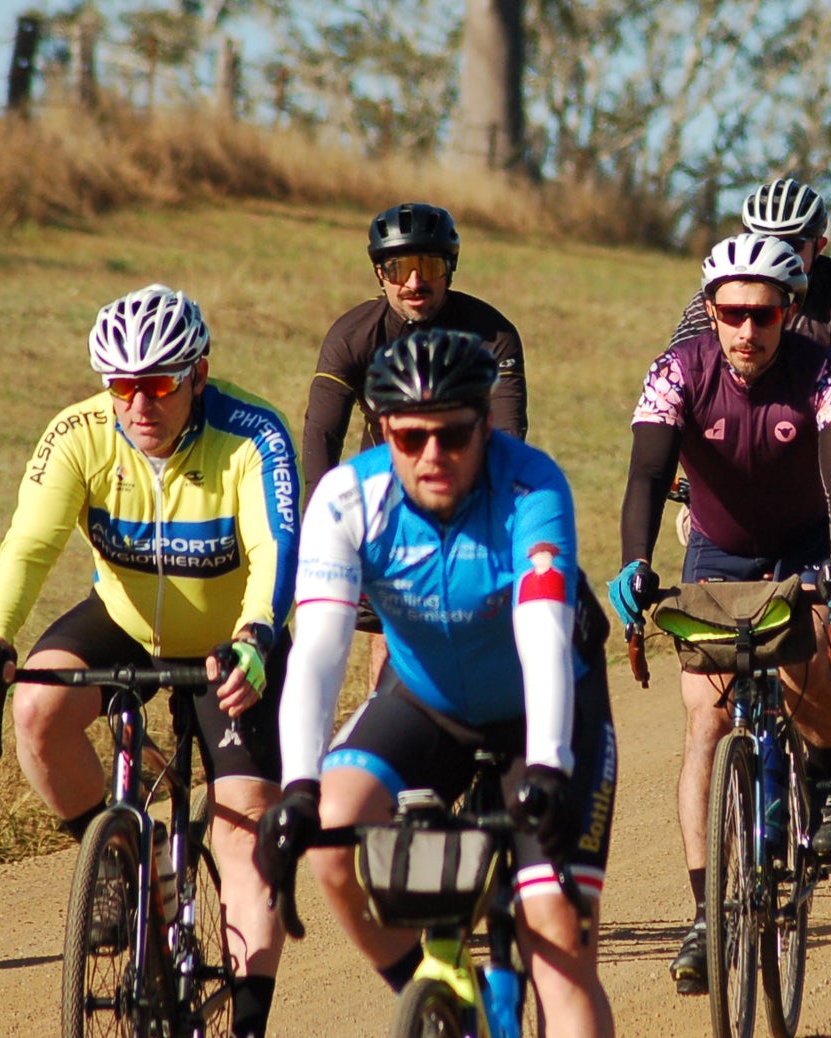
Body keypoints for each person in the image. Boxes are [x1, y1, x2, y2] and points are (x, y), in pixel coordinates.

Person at [0, 284, 298, 1038]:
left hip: (233, 642)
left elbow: (279, 549)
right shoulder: (79, 432)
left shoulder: (253, 437)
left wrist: (254, 640)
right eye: (121, 386)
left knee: (244, 836)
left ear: (199, 376)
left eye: (160, 384)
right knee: (36, 710)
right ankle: (123, 861)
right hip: (124, 620)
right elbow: (30, 545)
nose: (139, 405)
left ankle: (246, 1025)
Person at [259, 329, 614, 1038]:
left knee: (557, 935)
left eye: (453, 435)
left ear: (485, 422)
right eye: (410, 436)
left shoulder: (530, 485)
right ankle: (439, 998)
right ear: (383, 428)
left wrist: (546, 767)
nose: (432, 457)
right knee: (331, 841)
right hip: (425, 702)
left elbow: (542, 632)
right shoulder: (347, 499)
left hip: (542, 715)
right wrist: (297, 787)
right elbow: (321, 652)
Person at [612, 234, 831, 997]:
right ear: (712, 312)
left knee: (807, 688)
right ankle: (704, 913)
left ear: (788, 312)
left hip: (805, 549)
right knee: (706, 724)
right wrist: (635, 560)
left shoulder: (826, 375)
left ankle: (825, 773)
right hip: (718, 557)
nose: (747, 330)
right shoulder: (675, 374)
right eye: (731, 313)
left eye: (763, 314)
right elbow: (647, 475)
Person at [665, 178, 831, 772]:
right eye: (763, 237)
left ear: (819, 245)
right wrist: (688, 481)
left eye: (792, 242)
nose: (775, 250)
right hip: (736, 478)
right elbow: (680, 395)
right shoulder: (724, 290)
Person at [302, 202, 528, 683]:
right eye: (399, 268)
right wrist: (319, 526)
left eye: (428, 266)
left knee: (476, 628)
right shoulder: (351, 336)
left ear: (450, 269)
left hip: (471, 489)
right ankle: (392, 736)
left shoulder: (493, 335)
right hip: (386, 495)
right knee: (390, 638)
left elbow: (509, 431)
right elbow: (322, 434)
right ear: (379, 274)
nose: (414, 282)